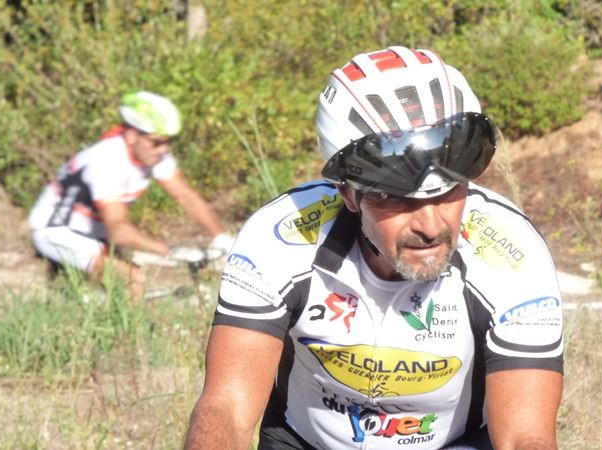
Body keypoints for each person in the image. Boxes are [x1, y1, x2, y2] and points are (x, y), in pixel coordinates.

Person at [185, 46, 564, 449]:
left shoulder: (512, 255)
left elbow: (524, 436)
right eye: (398, 199)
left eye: (449, 192)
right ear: (348, 194)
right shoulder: (281, 238)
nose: (430, 226)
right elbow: (226, 408)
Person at [28, 91, 235, 298]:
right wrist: (173, 252)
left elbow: (185, 195)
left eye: (169, 142)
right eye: (157, 142)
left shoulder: (153, 154)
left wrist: (221, 238)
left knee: (112, 291)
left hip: (94, 231)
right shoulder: (107, 160)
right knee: (132, 280)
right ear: (132, 135)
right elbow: (119, 232)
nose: (163, 149)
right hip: (57, 231)